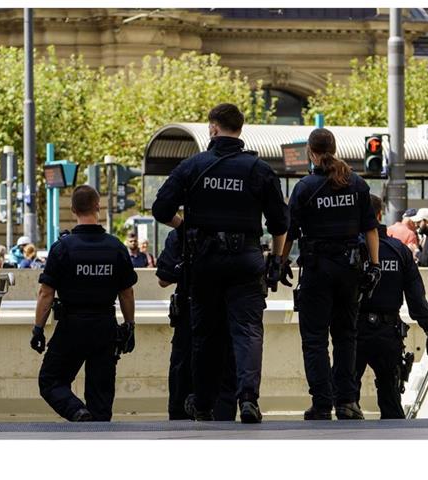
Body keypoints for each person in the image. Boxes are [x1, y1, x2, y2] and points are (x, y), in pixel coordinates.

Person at [151, 102, 288, 423]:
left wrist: (185, 227)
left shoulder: (193, 166)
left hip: (205, 262)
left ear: (213, 129)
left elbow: (161, 209)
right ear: (240, 129)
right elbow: (280, 224)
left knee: (205, 334)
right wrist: (278, 260)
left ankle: (201, 403)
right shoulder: (259, 170)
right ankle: (249, 400)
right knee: (248, 331)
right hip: (246, 261)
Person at [280, 128, 380, 420]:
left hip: (316, 270)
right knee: (346, 337)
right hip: (350, 270)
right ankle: (347, 401)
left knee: (314, 339)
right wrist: (374, 266)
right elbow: (370, 229)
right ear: (333, 149)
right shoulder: (356, 184)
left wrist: (280, 261)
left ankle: (322, 403)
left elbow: (289, 232)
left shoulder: (304, 188)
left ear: (311, 152)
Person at [30, 185, 137, 422]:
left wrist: (38, 328)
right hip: (105, 327)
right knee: (101, 396)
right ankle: (96, 427)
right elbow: (127, 293)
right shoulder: (116, 247)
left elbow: (46, 293)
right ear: (97, 207)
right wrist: (129, 326)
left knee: (51, 380)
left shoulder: (62, 248)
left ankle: (78, 413)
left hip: (72, 326)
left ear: (73, 209)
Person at [350, 195, 428, 419]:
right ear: (380, 215)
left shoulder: (349, 250)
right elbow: (416, 297)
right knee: (391, 401)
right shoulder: (399, 251)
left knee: (347, 401)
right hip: (388, 334)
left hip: (353, 332)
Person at [156, 229, 237, 421]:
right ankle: (223, 424)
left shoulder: (182, 234)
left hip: (190, 310)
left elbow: (163, 279)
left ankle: (181, 422)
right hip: (227, 311)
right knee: (225, 372)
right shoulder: (237, 231)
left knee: (183, 369)